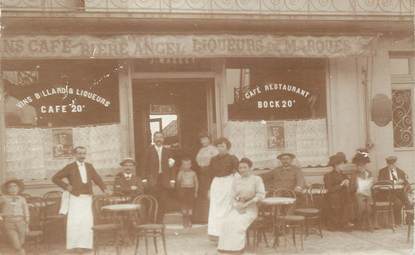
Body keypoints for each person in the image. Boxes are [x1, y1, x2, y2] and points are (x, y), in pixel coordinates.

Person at [52, 146, 109, 253]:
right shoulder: (70, 167)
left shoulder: (89, 166)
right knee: (75, 221)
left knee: (86, 221)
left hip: (87, 198)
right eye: (79, 153)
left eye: (84, 153)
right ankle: (76, 245)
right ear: (75, 155)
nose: (82, 156)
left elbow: (97, 179)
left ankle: (86, 244)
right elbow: (55, 178)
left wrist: (104, 189)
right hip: (75, 198)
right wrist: (66, 186)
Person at [218, 158, 265, 254]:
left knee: (238, 223)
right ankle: (226, 249)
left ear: (250, 168)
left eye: (245, 167)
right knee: (226, 222)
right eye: (240, 168)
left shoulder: (256, 179)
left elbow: (260, 195)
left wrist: (246, 205)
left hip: (250, 208)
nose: (242, 170)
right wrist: (237, 206)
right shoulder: (236, 180)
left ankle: (237, 249)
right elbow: (232, 196)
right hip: (238, 207)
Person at [208, 137, 239, 240]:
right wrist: (208, 189)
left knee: (227, 207)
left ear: (227, 147)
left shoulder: (233, 158)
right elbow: (210, 175)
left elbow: (237, 173)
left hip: (228, 182)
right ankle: (216, 234)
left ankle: (226, 234)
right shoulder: (213, 159)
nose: (220, 148)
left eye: (222, 146)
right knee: (215, 208)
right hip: (216, 183)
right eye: (218, 146)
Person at [143, 131, 177, 223]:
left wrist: (172, 180)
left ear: (163, 139)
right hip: (153, 180)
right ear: (153, 139)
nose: (159, 139)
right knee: (153, 200)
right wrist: (145, 179)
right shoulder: (149, 150)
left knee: (163, 201)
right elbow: (144, 166)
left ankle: (159, 222)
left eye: (160, 137)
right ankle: (151, 221)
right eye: (157, 137)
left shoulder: (168, 151)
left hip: (164, 180)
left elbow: (172, 166)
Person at [323, 152, 354, 231]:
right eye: (342, 164)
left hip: (343, 196)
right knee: (337, 199)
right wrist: (341, 185)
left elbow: (348, 185)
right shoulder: (328, 175)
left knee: (348, 199)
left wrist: (348, 182)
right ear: (336, 165)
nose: (343, 166)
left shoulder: (343, 175)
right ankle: (337, 223)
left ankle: (345, 222)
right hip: (333, 196)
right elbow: (329, 189)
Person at [378, 156, 411, 226]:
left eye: (393, 164)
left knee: (408, 202)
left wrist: (404, 187)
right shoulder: (382, 172)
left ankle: (409, 220)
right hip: (388, 193)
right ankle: (397, 222)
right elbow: (380, 183)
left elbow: (407, 183)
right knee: (398, 203)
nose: (392, 166)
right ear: (387, 164)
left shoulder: (400, 172)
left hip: (400, 192)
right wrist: (392, 182)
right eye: (390, 164)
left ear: (396, 163)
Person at [0, 179, 30, 255]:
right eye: (10, 187)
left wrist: (27, 221)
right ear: (7, 189)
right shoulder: (3, 198)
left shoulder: (22, 199)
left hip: (21, 222)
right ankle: (20, 251)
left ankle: (18, 251)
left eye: (15, 186)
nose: (13, 188)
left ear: (19, 188)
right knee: (16, 242)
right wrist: (0, 216)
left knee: (21, 241)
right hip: (9, 222)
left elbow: (26, 210)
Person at [194, 133, 219, 223]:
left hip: (210, 173)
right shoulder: (201, 150)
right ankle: (203, 218)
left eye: (205, 139)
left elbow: (216, 161)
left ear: (209, 139)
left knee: (210, 193)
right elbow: (198, 161)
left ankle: (212, 217)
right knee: (203, 193)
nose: (203, 141)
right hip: (202, 173)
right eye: (201, 139)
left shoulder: (214, 149)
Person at [350, 149, 373, 229]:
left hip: (368, 194)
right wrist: (357, 186)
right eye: (359, 166)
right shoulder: (354, 175)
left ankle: (368, 223)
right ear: (357, 166)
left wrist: (369, 185)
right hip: (357, 194)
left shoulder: (369, 173)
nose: (361, 167)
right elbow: (351, 188)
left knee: (369, 205)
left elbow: (371, 185)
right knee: (361, 205)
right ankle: (360, 222)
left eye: (363, 165)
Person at [176, 156, 199, 229]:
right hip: (183, 190)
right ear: (182, 165)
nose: (186, 166)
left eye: (188, 164)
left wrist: (196, 191)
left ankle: (189, 220)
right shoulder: (180, 173)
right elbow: (178, 182)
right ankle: (184, 220)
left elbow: (196, 182)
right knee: (184, 206)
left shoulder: (193, 173)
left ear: (191, 165)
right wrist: (179, 191)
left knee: (190, 206)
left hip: (191, 190)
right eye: (184, 164)